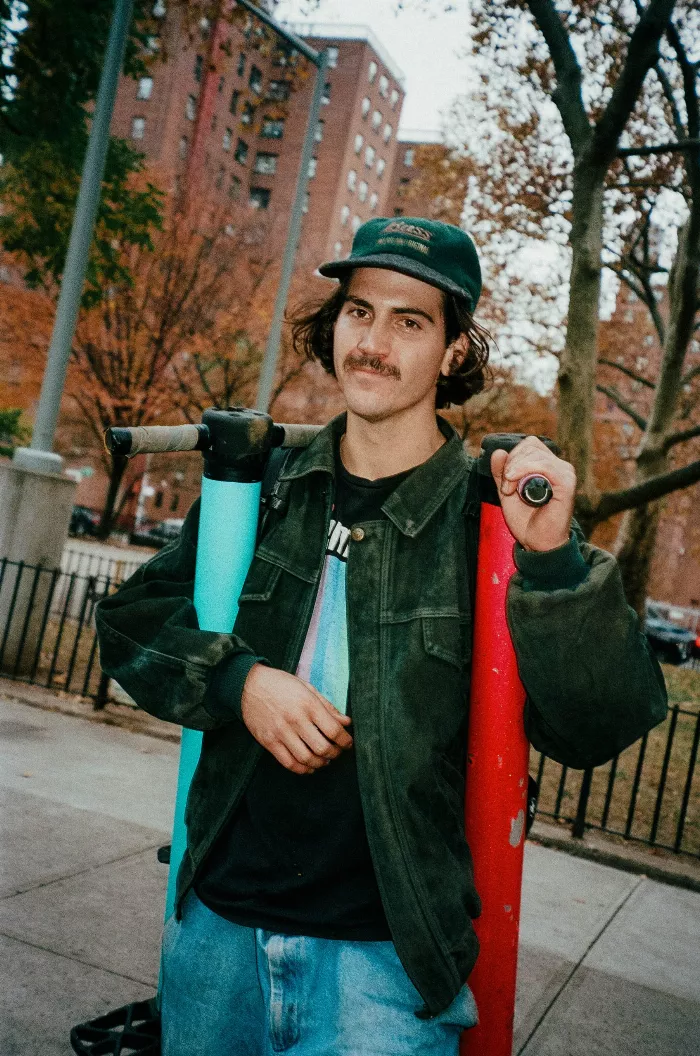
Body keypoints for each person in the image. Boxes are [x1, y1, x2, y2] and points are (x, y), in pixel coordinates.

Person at [96, 217, 667, 1056]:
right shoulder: (271, 493)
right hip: (216, 939)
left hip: (382, 970)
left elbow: (598, 725)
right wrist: (241, 682)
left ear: (454, 352)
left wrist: (550, 560)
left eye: (410, 321)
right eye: (360, 312)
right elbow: (131, 623)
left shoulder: (490, 524)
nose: (373, 341)